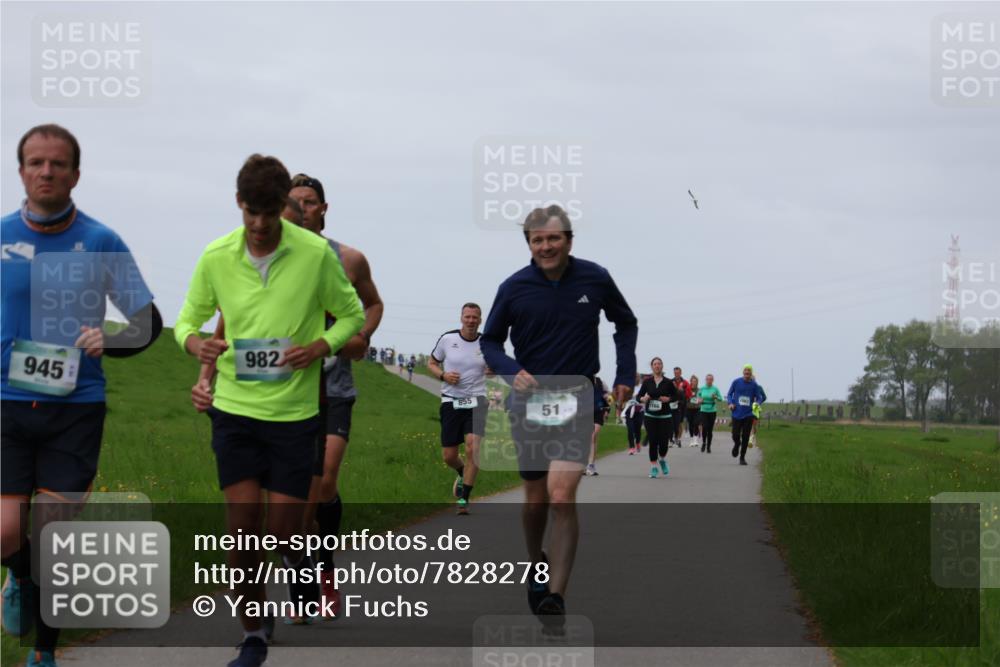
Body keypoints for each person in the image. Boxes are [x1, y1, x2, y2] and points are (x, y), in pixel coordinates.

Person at [176, 155, 364, 667]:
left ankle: (294, 570)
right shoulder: (217, 255)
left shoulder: (314, 254)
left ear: (282, 210)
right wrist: (199, 349)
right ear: (239, 204)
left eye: (268, 214)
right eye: (250, 212)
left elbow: (351, 317)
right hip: (235, 411)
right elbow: (187, 321)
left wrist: (320, 347)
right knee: (241, 531)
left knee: (281, 532)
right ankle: (253, 633)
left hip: (295, 415)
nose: (259, 225)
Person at [1, 124, 163, 667]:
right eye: (36, 162)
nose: (46, 172)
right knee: (6, 534)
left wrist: (108, 337)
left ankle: (44, 653)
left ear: (76, 173)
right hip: (5, 403)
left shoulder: (100, 241)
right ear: (21, 170)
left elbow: (146, 322)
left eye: (58, 164)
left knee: (50, 537)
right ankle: (17, 578)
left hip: (75, 408)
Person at [481, 204, 637, 625]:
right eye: (538, 240)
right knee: (535, 500)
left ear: (569, 239)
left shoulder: (595, 278)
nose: (546, 246)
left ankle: (556, 596)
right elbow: (491, 341)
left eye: (554, 238)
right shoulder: (514, 288)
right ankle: (536, 562)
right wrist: (513, 372)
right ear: (529, 244)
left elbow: (626, 323)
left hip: (577, 397)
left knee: (562, 494)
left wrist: (625, 373)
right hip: (528, 402)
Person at [427, 303, 490, 515]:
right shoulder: (448, 339)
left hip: (477, 400)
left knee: (473, 448)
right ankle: (462, 472)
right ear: (461, 318)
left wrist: (492, 370)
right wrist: (443, 375)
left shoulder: (487, 343)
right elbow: (432, 363)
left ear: (480, 320)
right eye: (467, 316)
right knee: (449, 455)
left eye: (475, 317)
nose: (471, 320)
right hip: (451, 401)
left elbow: (494, 369)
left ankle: (464, 499)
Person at [636, 358, 678, 477]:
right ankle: (654, 467)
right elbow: (638, 396)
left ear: (662, 366)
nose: (657, 366)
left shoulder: (668, 382)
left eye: (659, 364)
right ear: (652, 367)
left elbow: (676, 396)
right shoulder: (647, 382)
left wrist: (668, 399)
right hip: (650, 415)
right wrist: (642, 399)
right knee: (653, 441)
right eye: (655, 364)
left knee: (664, 443)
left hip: (665, 416)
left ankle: (662, 459)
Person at [726, 364, 767, 465]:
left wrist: (757, 403)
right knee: (735, 435)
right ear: (743, 372)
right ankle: (737, 444)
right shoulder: (736, 382)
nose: (747, 373)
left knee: (745, 436)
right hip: (736, 413)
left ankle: (742, 457)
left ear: (751, 373)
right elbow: (729, 394)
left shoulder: (754, 385)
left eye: (749, 371)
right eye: (745, 371)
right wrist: (730, 403)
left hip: (748, 414)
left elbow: (760, 397)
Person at [584, 378, 610, 476]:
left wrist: (607, 409)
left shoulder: (600, 381)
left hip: (598, 412)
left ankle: (591, 465)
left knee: (593, 436)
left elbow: (607, 397)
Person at [697, 374, 724, 452]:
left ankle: (709, 446)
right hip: (703, 410)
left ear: (713, 380)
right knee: (705, 427)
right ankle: (704, 443)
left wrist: (715, 397)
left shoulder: (715, 389)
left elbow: (720, 399)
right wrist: (699, 400)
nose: (709, 381)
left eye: (710, 379)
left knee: (710, 429)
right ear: (706, 380)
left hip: (712, 410)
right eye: (707, 379)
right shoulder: (702, 388)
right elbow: (698, 397)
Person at [671, 366, 690, 446]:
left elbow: (688, 395)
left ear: (681, 373)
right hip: (672, 405)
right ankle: (671, 438)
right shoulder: (670, 382)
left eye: (678, 373)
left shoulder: (685, 383)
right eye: (675, 373)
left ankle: (678, 439)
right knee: (671, 422)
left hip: (682, 405)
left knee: (679, 423)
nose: (677, 374)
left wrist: (682, 391)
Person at [686, 375, 702, 445]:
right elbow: (685, 398)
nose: (694, 382)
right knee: (691, 424)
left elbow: (701, 398)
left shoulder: (699, 390)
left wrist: (700, 400)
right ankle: (691, 439)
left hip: (697, 409)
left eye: (695, 381)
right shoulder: (687, 389)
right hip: (689, 408)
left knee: (696, 423)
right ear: (690, 382)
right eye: (692, 381)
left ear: (697, 382)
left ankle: (696, 439)